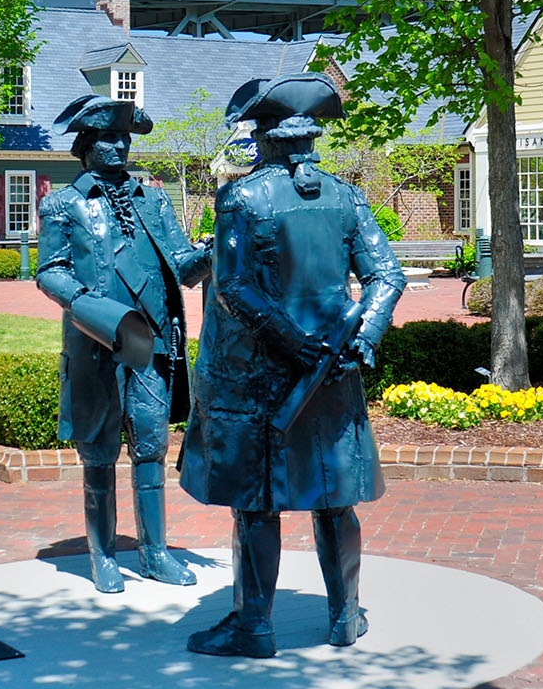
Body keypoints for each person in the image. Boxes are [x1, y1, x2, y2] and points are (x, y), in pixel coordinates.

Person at [179, 74, 407, 658]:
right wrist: (364, 335)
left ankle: (254, 626)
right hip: (333, 372)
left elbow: (231, 285)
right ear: (310, 140)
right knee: (336, 497)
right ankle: (344, 617)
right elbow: (387, 276)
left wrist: (292, 341)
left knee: (257, 502)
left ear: (265, 138)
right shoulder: (348, 196)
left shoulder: (241, 198)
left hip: (262, 376)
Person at [37, 95, 212, 593]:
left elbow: (179, 264)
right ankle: (104, 554)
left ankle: (155, 552)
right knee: (98, 454)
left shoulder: (154, 200)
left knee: (151, 448)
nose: (118, 146)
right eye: (106, 139)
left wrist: (212, 253)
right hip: (96, 345)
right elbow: (51, 274)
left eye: (123, 138)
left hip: (151, 346)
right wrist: (96, 312)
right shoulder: (63, 204)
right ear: (85, 146)